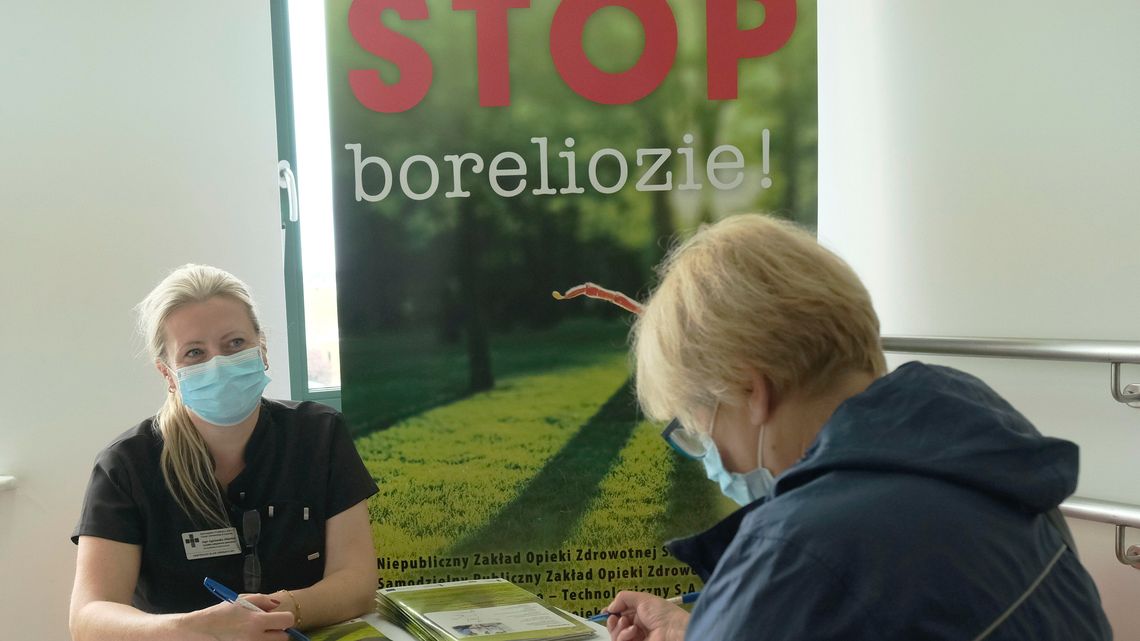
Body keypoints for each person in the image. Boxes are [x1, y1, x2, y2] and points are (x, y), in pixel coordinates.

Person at [604, 215, 1111, 640]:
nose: (714, 455)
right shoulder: (986, 456)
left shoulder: (799, 553)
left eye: (699, 427)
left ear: (751, 391)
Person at [70, 264, 379, 641]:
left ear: (261, 348)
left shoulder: (319, 435)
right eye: (195, 353)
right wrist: (196, 629)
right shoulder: (126, 466)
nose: (218, 364)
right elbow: (88, 618)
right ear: (168, 374)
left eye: (235, 344)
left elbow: (358, 581)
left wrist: (281, 611)